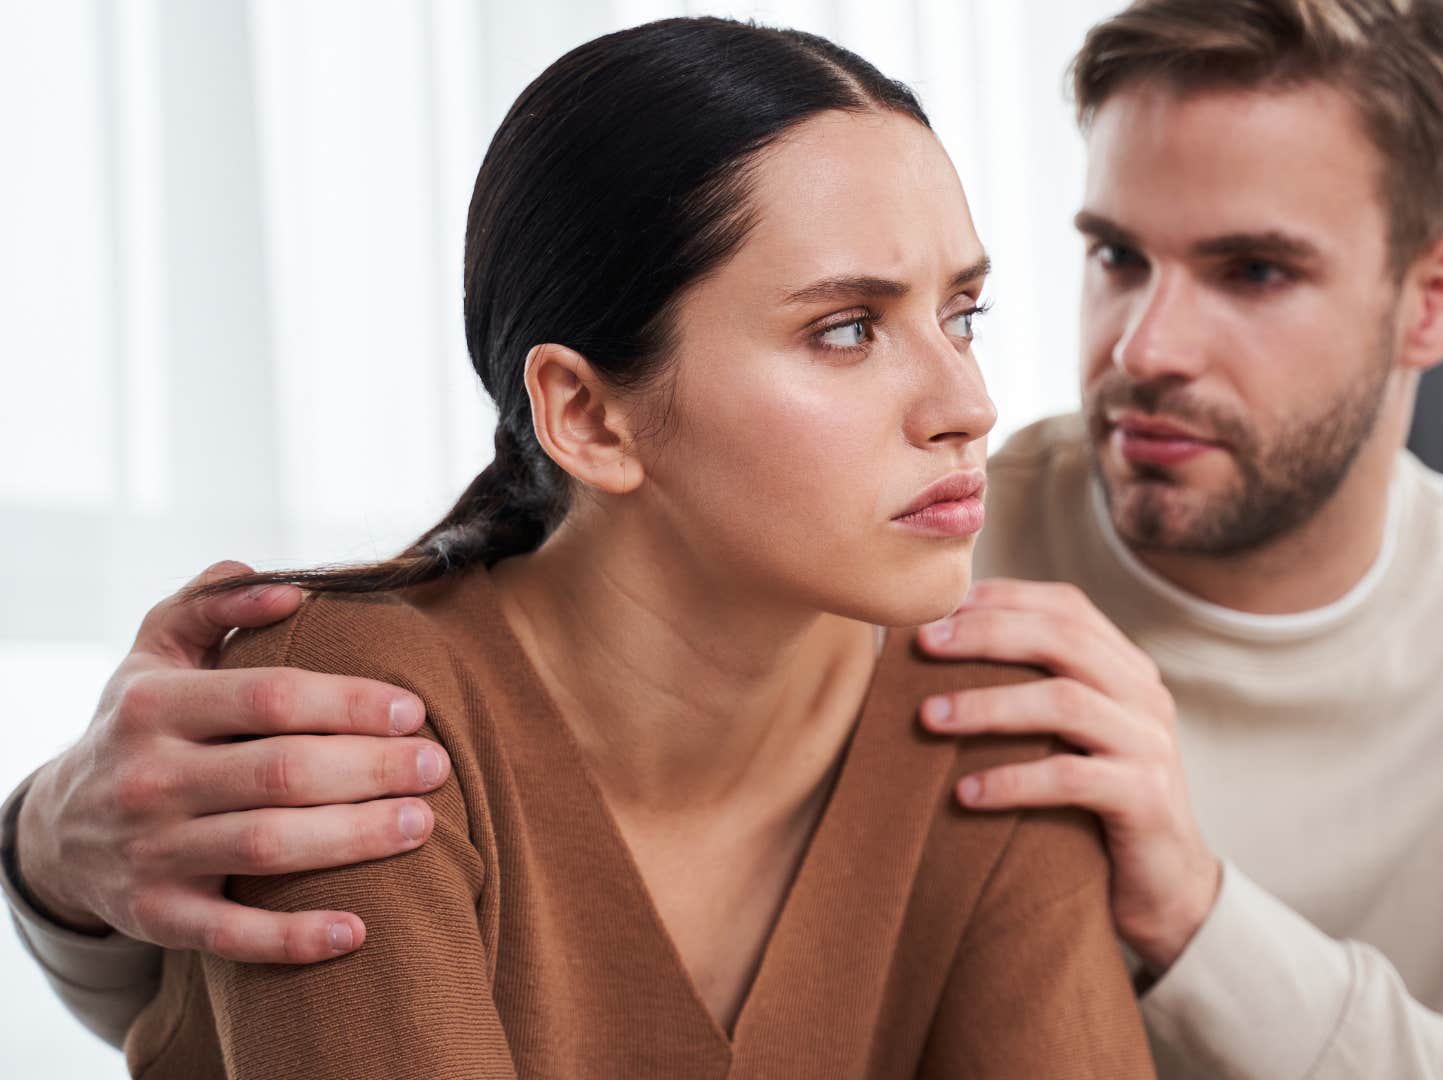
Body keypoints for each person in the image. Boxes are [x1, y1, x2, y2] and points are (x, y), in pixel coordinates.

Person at [6, 2, 1443, 1077]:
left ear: (1434, 299)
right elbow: (531, 613)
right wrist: (45, 849)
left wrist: (1201, 919)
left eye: (1253, 270)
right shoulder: (907, 539)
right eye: (1106, 258)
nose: (1135, 348)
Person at [10, 17, 1159, 1080]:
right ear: (589, 416)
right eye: (846, 330)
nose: (970, 402)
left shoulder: (995, 730)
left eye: (963, 315)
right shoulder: (351, 712)